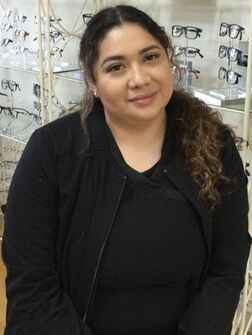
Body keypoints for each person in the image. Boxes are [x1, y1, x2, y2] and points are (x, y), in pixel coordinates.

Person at [2, 5, 251, 335]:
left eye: (150, 57)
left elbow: (227, 265)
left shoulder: (214, 145)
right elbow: (33, 287)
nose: (140, 78)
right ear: (92, 81)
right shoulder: (52, 152)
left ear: (169, 61)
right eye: (116, 67)